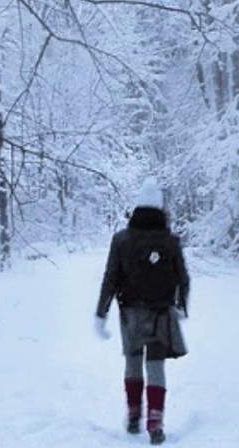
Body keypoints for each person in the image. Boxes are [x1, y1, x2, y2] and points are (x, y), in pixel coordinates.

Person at [94, 178, 189, 445]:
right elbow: (183, 277)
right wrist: (182, 305)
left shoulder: (121, 239)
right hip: (162, 312)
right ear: (159, 207)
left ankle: (134, 414)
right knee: (156, 366)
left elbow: (110, 277)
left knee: (133, 361)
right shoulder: (170, 240)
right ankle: (155, 422)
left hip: (131, 312)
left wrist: (101, 313)